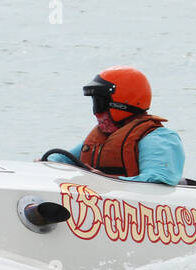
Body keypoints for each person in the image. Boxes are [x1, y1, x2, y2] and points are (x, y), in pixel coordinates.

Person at [48, 66, 185, 185]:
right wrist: (45, 164)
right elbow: (60, 159)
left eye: (100, 105)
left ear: (122, 103)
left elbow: (157, 181)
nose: (96, 114)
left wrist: (106, 179)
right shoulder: (100, 138)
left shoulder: (158, 138)